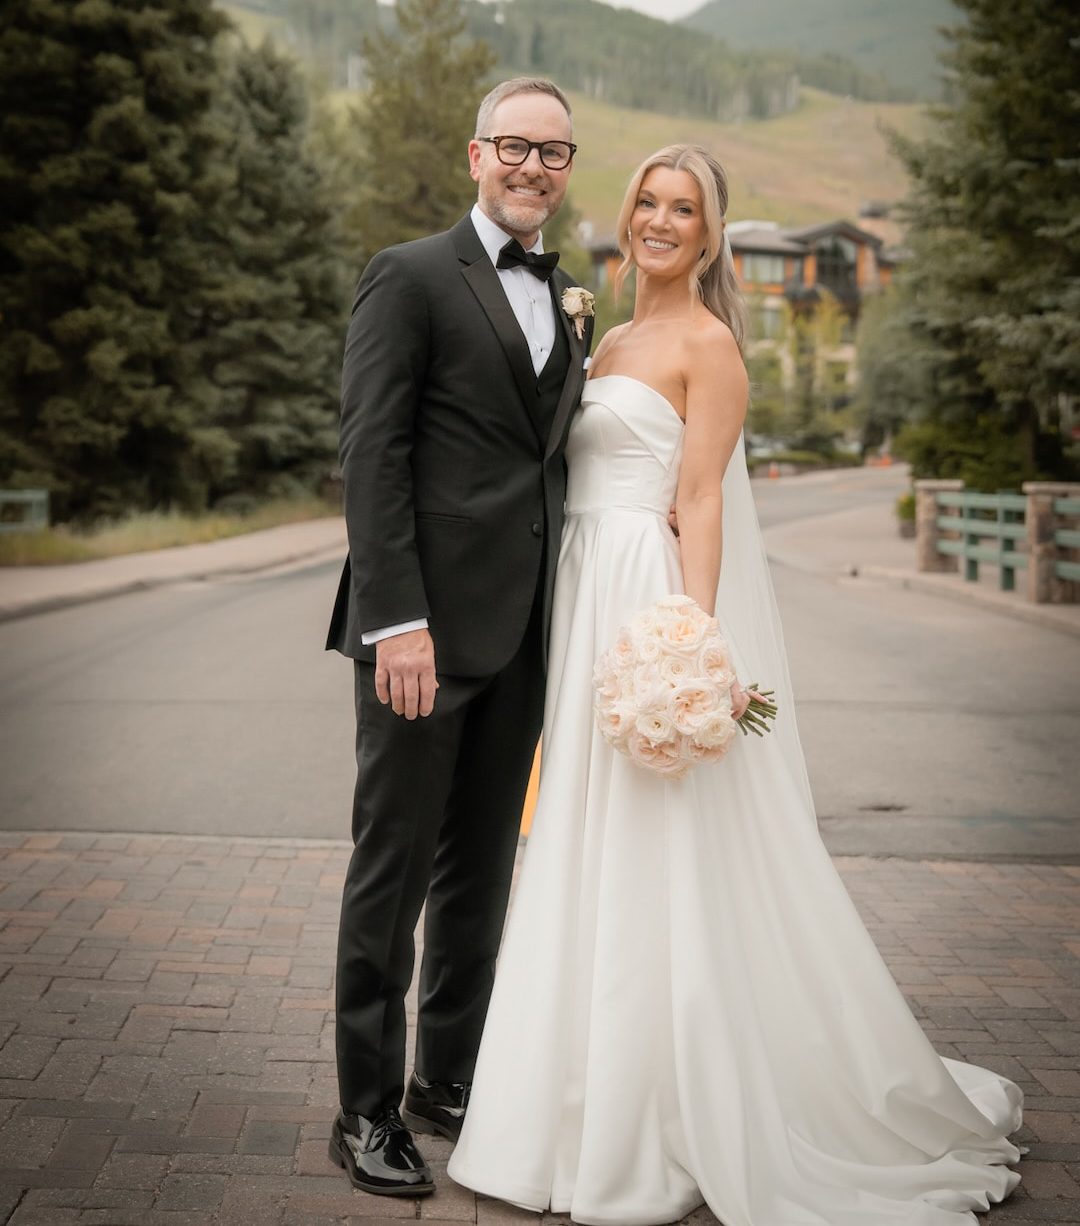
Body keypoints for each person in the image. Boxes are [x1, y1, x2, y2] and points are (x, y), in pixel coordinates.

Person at [448, 145, 1022, 1225]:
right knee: (578, 826)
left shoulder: (710, 345)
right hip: (580, 587)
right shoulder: (607, 335)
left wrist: (689, 640)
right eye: (649, 203)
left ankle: (660, 1105)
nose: (662, 221)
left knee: (652, 836)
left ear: (711, 234)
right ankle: (568, 1096)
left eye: (685, 209)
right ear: (629, 217)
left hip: (643, 595)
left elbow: (703, 496)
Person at [324, 76, 594, 1199]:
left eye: (555, 151)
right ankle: (365, 1107)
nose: (534, 166)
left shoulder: (572, 297)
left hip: (523, 635)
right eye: (515, 145)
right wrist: (396, 618)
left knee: (480, 871)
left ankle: (446, 1077)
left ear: (567, 169)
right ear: (477, 154)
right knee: (392, 869)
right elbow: (372, 451)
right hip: (419, 634)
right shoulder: (411, 274)